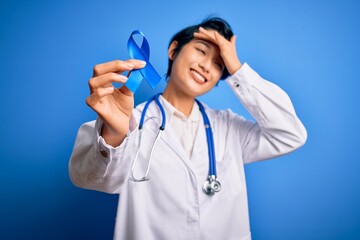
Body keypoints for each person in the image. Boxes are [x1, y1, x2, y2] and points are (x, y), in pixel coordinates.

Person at [69, 17, 307, 240]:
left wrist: (237, 69)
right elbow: (88, 178)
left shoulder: (228, 127)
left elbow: (290, 134)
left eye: (219, 64)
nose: (206, 66)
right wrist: (114, 135)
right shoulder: (134, 121)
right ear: (173, 50)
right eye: (201, 51)